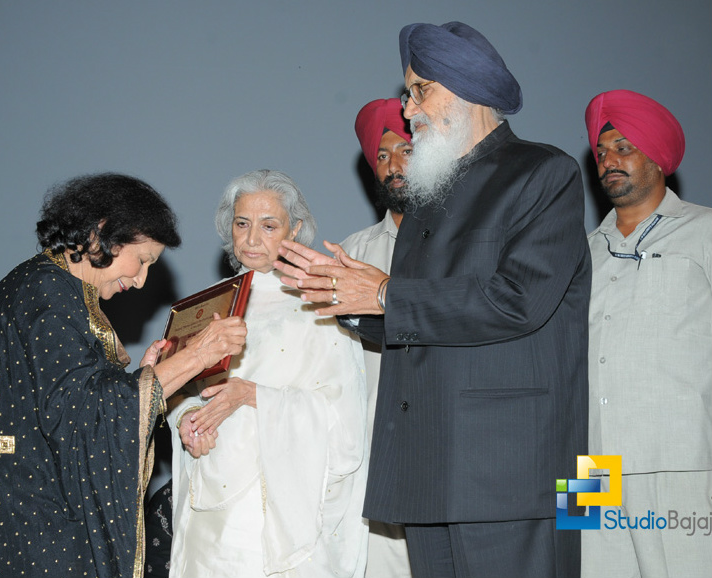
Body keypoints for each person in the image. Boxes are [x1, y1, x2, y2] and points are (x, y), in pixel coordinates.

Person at [274, 21, 591, 578]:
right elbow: (414, 318)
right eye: (407, 92)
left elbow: (516, 301)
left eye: (421, 90)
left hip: (508, 473)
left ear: (469, 91)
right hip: (427, 467)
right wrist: (348, 298)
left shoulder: (544, 173)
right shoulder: (427, 193)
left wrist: (382, 292)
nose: (408, 109)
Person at [0, 173, 247, 578]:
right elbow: (87, 411)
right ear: (103, 234)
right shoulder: (48, 293)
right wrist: (196, 356)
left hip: (7, 507)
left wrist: (147, 376)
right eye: (144, 260)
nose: (141, 280)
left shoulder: (43, 285)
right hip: (17, 520)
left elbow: (75, 402)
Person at [167, 169, 368, 578]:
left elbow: (344, 428)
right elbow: (179, 390)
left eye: (268, 225)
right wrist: (185, 421)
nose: (252, 238)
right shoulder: (207, 306)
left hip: (274, 510)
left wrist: (253, 395)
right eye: (242, 223)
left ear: (294, 230)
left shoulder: (321, 305)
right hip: (208, 500)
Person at [582, 90, 712, 578]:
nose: (609, 160)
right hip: (589, 467)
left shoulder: (704, 231)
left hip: (681, 459)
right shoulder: (580, 254)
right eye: (601, 152)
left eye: (623, 147)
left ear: (658, 157)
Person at [340, 98, 412, 578]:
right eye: (382, 157)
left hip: (454, 449)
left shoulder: (469, 248)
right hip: (374, 451)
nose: (393, 166)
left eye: (405, 151)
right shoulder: (351, 254)